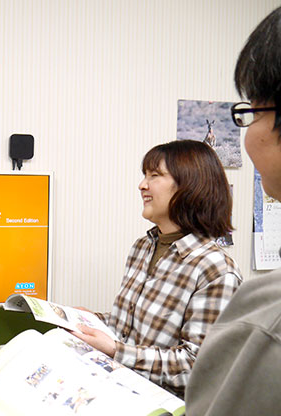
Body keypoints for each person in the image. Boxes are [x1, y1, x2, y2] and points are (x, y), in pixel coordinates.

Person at [74, 140, 242, 398]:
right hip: (116, 390)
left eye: (154, 175)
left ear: (189, 186)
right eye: (145, 175)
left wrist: (116, 351)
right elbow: (129, 329)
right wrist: (91, 320)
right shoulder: (143, 247)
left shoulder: (216, 270)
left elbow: (199, 366)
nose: (142, 185)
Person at [185, 7, 281, 415]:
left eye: (253, 111)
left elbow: (192, 359)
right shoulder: (143, 247)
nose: (142, 185)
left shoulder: (261, 309)